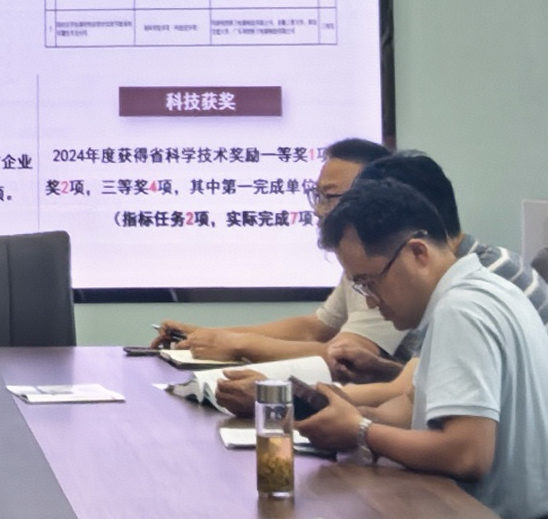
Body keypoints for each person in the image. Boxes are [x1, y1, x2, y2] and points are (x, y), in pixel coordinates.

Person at [295, 179, 548, 519]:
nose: (371, 302)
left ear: (418, 253)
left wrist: (361, 431)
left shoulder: (461, 310)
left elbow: (466, 454)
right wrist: (353, 416)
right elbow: (412, 406)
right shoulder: (477, 289)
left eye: (370, 282)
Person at [327, 150, 548, 406]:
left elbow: (425, 405)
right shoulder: (475, 268)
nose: (371, 300)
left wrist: (334, 406)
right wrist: (385, 370)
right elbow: (431, 388)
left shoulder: (470, 294)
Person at [152, 138, 401, 364]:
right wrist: (206, 335)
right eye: (317, 196)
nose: (317, 210)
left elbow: (349, 354)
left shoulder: (391, 264)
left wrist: (239, 345)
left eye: (329, 196)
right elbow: (313, 329)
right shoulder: (358, 261)